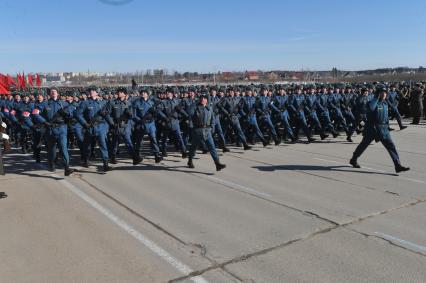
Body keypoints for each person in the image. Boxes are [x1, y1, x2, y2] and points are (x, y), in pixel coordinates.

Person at [350, 85, 410, 173]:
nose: (384, 95)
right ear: (378, 94)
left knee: (391, 146)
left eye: (385, 93)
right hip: (372, 129)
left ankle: (397, 165)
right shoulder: (372, 102)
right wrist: (376, 98)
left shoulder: (385, 103)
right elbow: (370, 108)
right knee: (363, 145)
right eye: (382, 93)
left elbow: (387, 115)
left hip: (383, 129)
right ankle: (354, 159)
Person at [32, 87, 75, 176]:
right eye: (52, 92)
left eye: (55, 91)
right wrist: (44, 122)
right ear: (49, 94)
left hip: (62, 129)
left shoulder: (63, 104)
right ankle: (51, 163)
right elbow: (35, 113)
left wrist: (68, 114)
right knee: (52, 150)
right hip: (50, 130)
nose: (53, 93)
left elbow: (71, 114)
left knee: (63, 148)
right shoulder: (44, 104)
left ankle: (66, 168)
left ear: (57, 93)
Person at [187, 94, 226, 171]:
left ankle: (217, 163)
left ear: (207, 100)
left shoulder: (209, 108)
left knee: (212, 147)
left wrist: (212, 129)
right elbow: (189, 112)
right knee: (193, 147)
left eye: (204, 98)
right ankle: (190, 160)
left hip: (207, 131)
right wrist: (194, 103)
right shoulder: (195, 107)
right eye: (201, 98)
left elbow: (212, 119)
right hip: (197, 131)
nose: (203, 99)